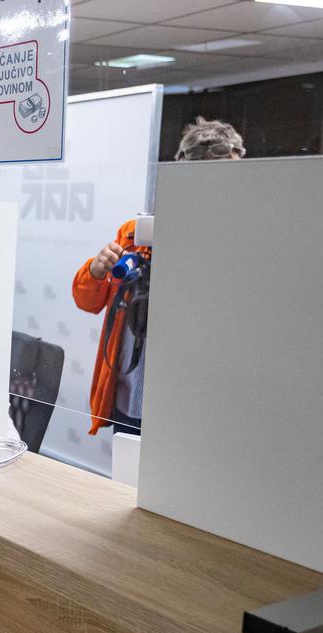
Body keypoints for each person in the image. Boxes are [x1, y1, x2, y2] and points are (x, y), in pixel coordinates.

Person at [72, 117, 245, 436]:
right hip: (132, 398)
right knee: (125, 484)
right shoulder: (137, 234)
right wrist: (97, 269)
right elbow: (86, 300)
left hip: (202, 407)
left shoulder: (245, 243)